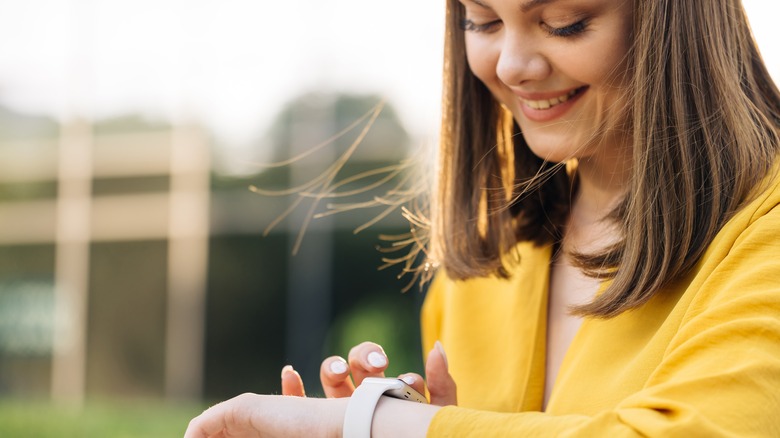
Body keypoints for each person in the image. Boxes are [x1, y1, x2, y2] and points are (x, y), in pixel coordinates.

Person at [185, 0, 780, 436]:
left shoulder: (764, 229)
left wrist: (382, 427)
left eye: (564, 22)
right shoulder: (484, 268)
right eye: (483, 21)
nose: (513, 64)